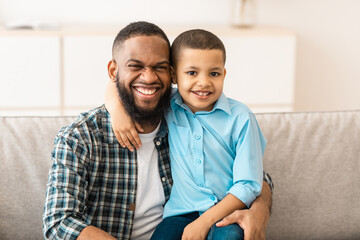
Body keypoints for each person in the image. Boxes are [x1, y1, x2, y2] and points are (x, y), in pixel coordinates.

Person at [43, 21, 273, 240]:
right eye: (135, 66)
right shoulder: (79, 138)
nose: (150, 78)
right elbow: (59, 222)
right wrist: (116, 109)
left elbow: (253, 176)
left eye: (159, 68)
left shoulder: (178, 112)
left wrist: (259, 209)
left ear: (170, 74)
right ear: (113, 71)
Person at [106, 28, 267, 240]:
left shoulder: (241, 118)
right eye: (192, 73)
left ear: (224, 74)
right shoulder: (169, 104)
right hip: (179, 214)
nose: (203, 82)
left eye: (214, 73)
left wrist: (204, 221)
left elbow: (249, 184)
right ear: (174, 75)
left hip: (226, 214)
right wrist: (117, 112)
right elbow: (116, 84)